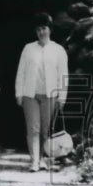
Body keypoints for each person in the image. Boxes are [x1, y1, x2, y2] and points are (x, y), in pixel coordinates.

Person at [15, 13, 69, 172]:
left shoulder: (58, 50)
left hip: (50, 95)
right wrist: (18, 93)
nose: (42, 32)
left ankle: (44, 158)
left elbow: (63, 75)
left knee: (45, 130)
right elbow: (21, 72)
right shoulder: (28, 48)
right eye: (38, 29)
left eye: (44, 28)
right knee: (33, 128)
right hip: (30, 94)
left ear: (50, 29)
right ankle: (34, 160)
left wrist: (62, 96)